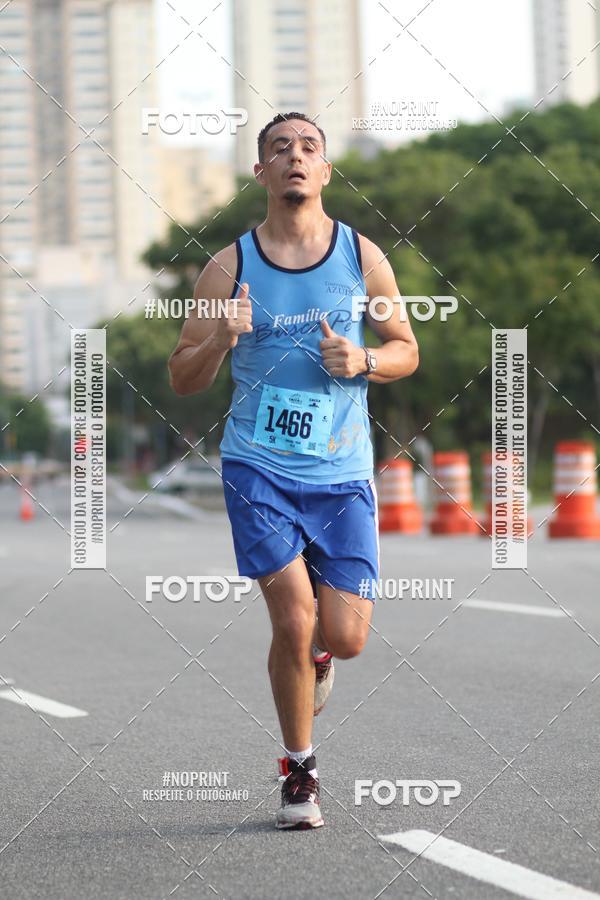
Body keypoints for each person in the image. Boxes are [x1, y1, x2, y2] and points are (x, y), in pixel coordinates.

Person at [168, 112, 418, 829]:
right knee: (293, 613)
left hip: (342, 472)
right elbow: (183, 376)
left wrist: (364, 359)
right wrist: (220, 337)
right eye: (280, 148)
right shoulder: (227, 267)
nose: (295, 156)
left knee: (346, 636)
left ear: (326, 171)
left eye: (309, 147)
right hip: (258, 467)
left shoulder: (363, 257)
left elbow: (405, 347)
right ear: (262, 173)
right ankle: (299, 772)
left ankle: (319, 655)